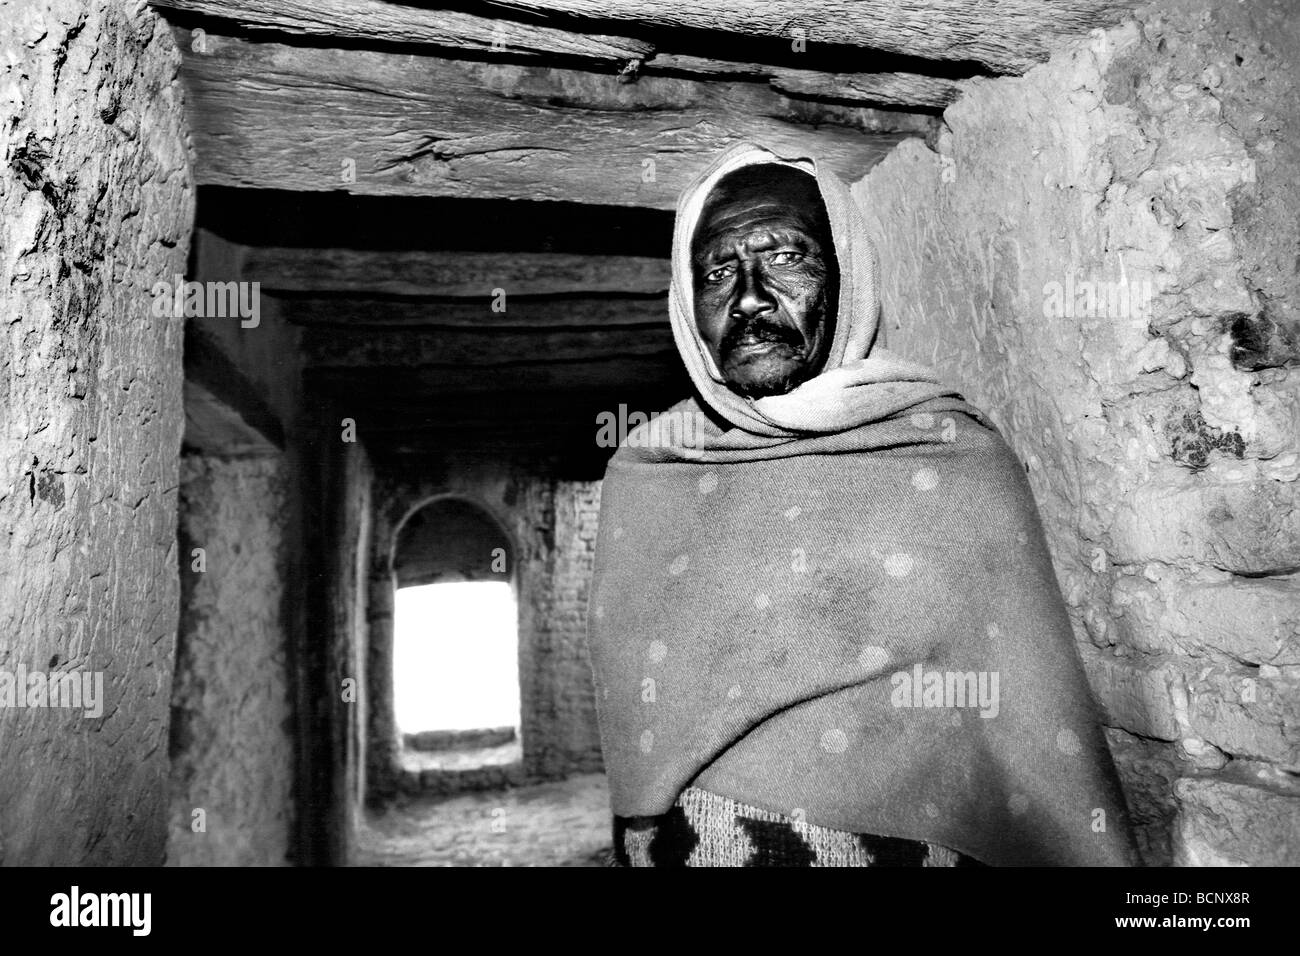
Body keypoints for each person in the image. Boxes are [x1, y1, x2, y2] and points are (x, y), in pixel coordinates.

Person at [585, 143, 1138, 867]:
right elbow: (638, 742)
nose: (749, 298)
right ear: (687, 307)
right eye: (718, 272)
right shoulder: (651, 473)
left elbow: (1031, 721)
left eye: (787, 259)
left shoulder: (949, 458)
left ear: (846, 279)